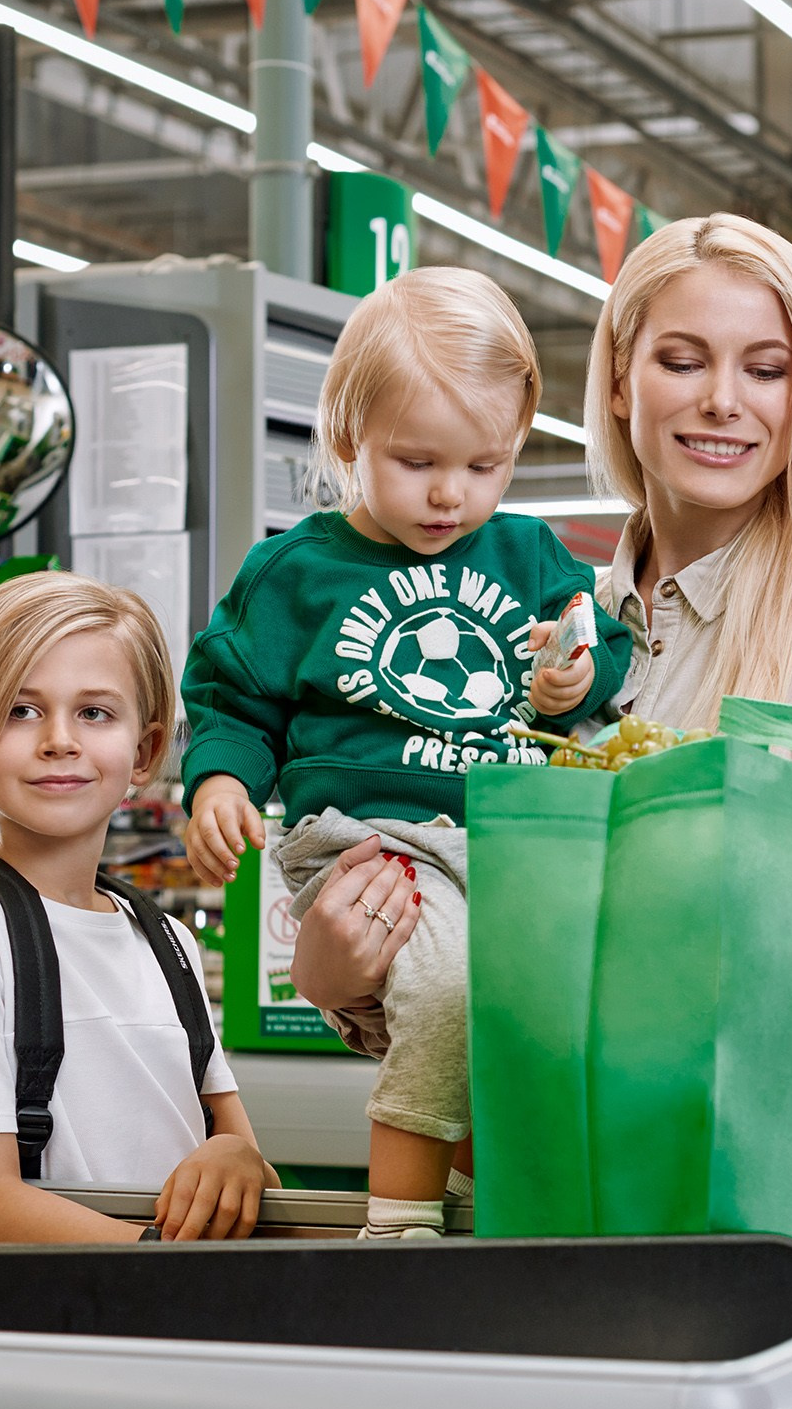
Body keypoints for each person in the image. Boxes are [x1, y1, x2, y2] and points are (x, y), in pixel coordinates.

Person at [287, 213, 792, 1052]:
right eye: (682, 361)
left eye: (767, 369)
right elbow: (467, 985)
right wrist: (337, 983)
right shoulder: (518, 630)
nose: (723, 399)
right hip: (529, 1160)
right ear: (619, 383)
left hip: (760, 1164)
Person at [179, 266, 634, 1243]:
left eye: (484, 465)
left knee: (522, 1010)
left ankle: (480, 1195)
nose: (448, 494)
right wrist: (220, 779)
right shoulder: (296, 570)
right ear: (347, 442)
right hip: (366, 833)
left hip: (503, 839)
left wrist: (570, 681)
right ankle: (397, 1220)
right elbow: (231, 694)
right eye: (416, 460)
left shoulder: (528, 554)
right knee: (441, 984)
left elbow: (597, 653)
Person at [0, 572, 278, 1242]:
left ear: (146, 751)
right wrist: (166, 1266)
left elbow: (245, 1158)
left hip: (172, 1303)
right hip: (71, 1310)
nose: (59, 739)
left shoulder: (166, 940)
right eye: (21, 709)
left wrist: (235, 1155)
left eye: (94, 712)